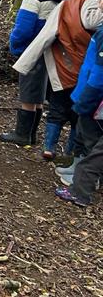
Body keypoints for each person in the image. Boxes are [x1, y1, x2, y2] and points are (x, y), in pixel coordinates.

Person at [14, 0, 103, 161]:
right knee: (78, 114)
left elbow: (44, 37)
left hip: (64, 67)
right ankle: (71, 152)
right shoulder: (98, 14)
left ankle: (49, 147)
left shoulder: (65, 7)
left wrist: (23, 62)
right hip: (88, 74)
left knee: (57, 108)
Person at [0, 0, 67, 145]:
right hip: (51, 50)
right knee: (38, 93)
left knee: (28, 93)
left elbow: (23, 28)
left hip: (32, 50)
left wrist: (16, 47)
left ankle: (22, 134)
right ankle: (32, 134)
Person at [55, 18, 103, 206]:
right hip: (91, 94)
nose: (98, 1)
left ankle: (81, 190)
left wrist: (86, 102)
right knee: (88, 142)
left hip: (95, 101)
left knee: (94, 149)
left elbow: (99, 75)